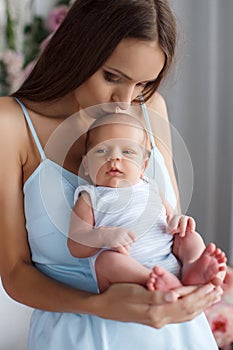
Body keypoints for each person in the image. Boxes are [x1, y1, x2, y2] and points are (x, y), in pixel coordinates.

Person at [0, 0, 223, 349]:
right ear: (77, 49)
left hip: (177, 336)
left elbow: (167, 232)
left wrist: (198, 279)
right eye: (112, 77)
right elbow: (14, 274)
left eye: (143, 84)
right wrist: (100, 305)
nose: (124, 101)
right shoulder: (10, 124)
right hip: (76, 338)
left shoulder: (150, 110)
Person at [67, 113, 226, 294]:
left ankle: (193, 267)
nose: (114, 158)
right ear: (86, 165)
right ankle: (153, 280)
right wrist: (103, 236)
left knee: (189, 236)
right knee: (106, 261)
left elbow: (170, 217)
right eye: (102, 151)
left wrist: (178, 220)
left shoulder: (150, 188)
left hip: (168, 258)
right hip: (127, 273)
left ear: (143, 166)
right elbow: (75, 245)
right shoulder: (89, 198)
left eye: (127, 152)